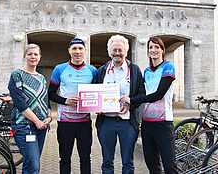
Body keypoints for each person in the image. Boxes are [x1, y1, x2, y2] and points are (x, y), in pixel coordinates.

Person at [120, 37, 178, 173]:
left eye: (157, 47)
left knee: (170, 166)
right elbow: (142, 94)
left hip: (163, 123)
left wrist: (132, 100)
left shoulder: (168, 67)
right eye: (151, 47)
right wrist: (127, 102)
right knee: (152, 165)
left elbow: (158, 95)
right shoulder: (146, 71)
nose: (153, 50)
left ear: (163, 50)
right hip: (147, 123)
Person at [95, 34, 146, 174]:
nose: (117, 53)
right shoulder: (102, 71)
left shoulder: (134, 70)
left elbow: (142, 95)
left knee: (128, 162)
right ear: (109, 51)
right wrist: (97, 107)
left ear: (126, 51)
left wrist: (130, 104)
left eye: (120, 50)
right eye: (114, 50)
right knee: (106, 161)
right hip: (106, 122)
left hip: (128, 123)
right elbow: (96, 93)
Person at [48, 38, 97, 174]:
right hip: (65, 122)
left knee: (86, 158)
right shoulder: (60, 69)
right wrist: (65, 101)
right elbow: (50, 93)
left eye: (80, 49)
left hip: (85, 122)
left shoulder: (92, 70)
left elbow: (97, 95)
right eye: (74, 48)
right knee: (64, 158)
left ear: (85, 51)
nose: (77, 51)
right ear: (69, 51)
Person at [8, 43, 52, 174]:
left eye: (35, 54)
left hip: (41, 128)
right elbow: (20, 103)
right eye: (29, 54)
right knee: (33, 165)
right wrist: (37, 121)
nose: (33, 57)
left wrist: (49, 117)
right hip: (24, 127)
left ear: (39, 57)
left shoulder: (42, 78)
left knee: (32, 164)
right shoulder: (17, 75)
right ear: (24, 56)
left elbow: (46, 101)